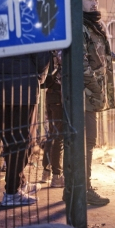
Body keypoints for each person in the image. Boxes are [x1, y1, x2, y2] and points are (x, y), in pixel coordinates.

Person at [0, 46, 50, 206]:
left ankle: (19, 182)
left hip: (2, 84)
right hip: (24, 86)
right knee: (25, 141)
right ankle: (12, 191)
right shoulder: (29, 22)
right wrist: (41, 75)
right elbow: (41, 53)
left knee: (11, 137)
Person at [82, 0, 115, 206]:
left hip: (92, 93)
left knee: (87, 142)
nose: (94, 1)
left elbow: (101, 58)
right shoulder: (81, 26)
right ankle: (83, 189)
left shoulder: (96, 25)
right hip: (84, 95)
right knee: (87, 142)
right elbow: (82, 65)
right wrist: (96, 87)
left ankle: (78, 188)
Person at [40, 50, 65, 188]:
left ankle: (46, 171)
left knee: (52, 134)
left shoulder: (49, 48)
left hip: (50, 94)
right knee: (59, 136)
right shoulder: (61, 48)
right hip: (59, 94)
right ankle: (57, 176)